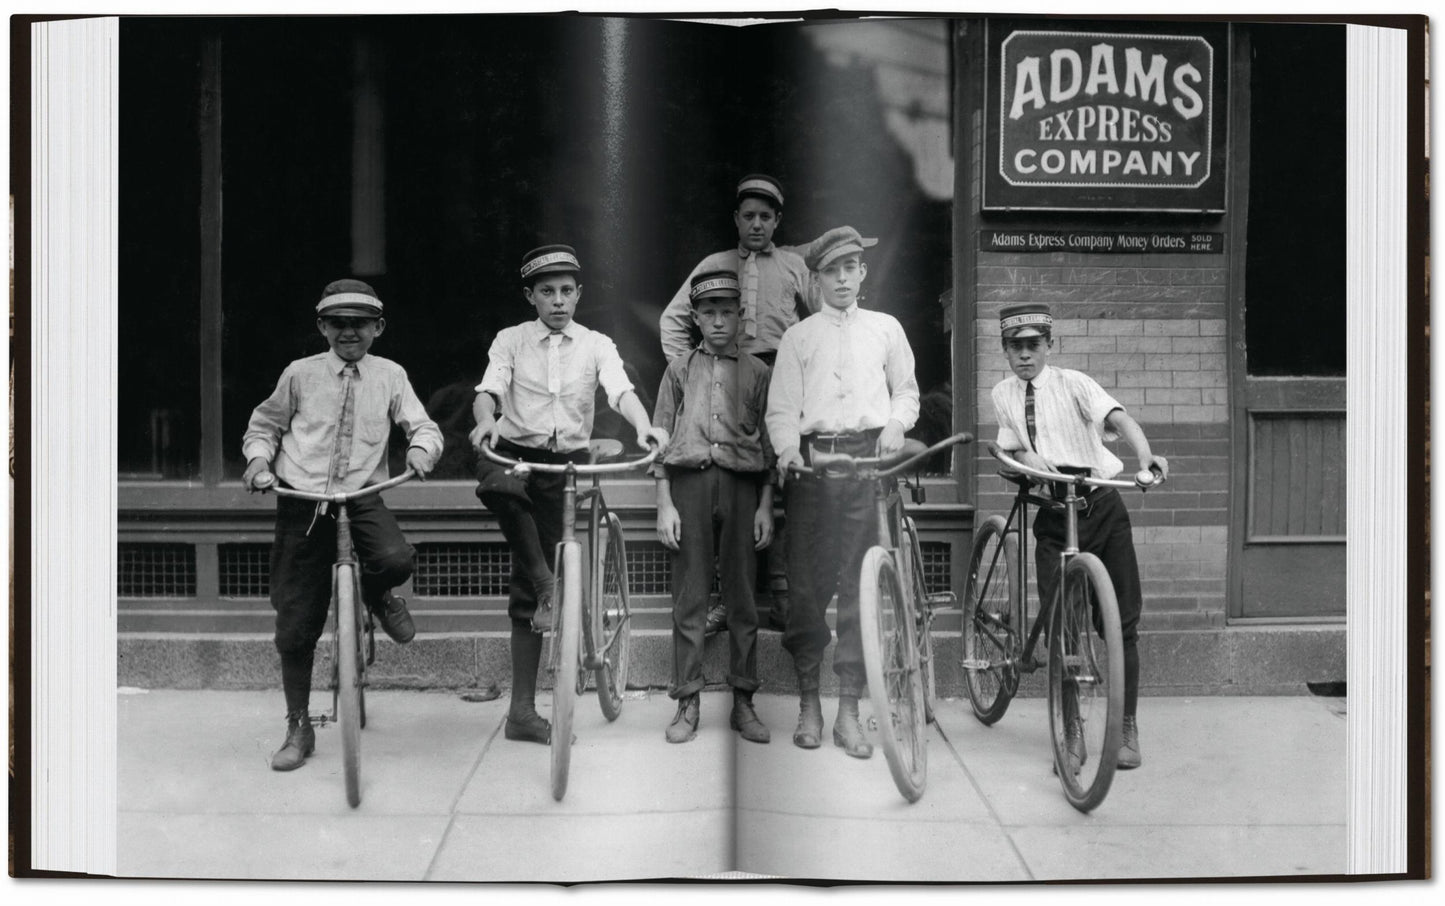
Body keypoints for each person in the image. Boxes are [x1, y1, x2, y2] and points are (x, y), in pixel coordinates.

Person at [469, 244, 670, 745]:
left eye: (565, 291)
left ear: (578, 294)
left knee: (528, 582)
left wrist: (645, 427)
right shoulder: (511, 341)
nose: (557, 301)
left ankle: (524, 698)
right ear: (530, 296)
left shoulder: (596, 343)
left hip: (565, 465)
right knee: (497, 485)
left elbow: (619, 391)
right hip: (515, 452)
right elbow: (488, 390)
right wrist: (487, 422)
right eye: (546, 292)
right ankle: (546, 590)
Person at [242, 279, 442, 772]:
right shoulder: (300, 374)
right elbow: (263, 426)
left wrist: (421, 449)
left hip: (359, 498)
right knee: (295, 623)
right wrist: (257, 461)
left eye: (360, 323)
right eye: (338, 323)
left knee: (395, 558)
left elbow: (424, 426)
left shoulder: (391, 375)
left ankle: (375, 595)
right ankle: (298, 725)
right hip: (303, 501)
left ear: (378, 328)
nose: (349, 332)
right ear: (322, 327)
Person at [988, 302, 1169, 773]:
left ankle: (1126, 725)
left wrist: (1146, 458)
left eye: (1034, 345)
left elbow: (1120, 421)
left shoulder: (1075, 384)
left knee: (1120, 623)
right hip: (1053, 515)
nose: (1025, 355)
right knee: (1063, 631)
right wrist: (1029, 460)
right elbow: (1008, 443)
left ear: (1049, 345)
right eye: (1016, 347)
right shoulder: (1003, 394)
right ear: (1005, 350)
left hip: (1101, 509)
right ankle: (1071, 733)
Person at [766, 226, 920, 759]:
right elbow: (782, 410)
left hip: (869, 466)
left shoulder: (885, 329)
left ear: (862, 272)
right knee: (807, 590)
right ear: (816, 278)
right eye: (831, 271)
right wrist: (788, 449)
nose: (842, 279)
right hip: (814, 471)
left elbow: (907, 392)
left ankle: (849, 711)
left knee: (860, 588)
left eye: (850, 268)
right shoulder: (799, 337)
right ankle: (810, 702)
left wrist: (897, 424)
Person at [659, 173, 812, 634]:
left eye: (766, 217)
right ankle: (722, 600)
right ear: (736, 219)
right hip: (723, 380)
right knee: (725, 483)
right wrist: (694, 372)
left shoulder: (792, 266)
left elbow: (821, 322)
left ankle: (783, 596)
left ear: (778, 220)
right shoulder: (715, 263)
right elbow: (673, 319)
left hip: (780, 379)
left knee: (781, 482)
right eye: (749, 216)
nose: (757, 225)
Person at [652, 269, 775, 745]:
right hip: (690, 487)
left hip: (743, 489)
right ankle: (688, 699)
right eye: (709, 312)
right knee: (691, 595)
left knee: (743, 597)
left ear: (740, 316)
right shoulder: (679, 369)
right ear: (697, 318)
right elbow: (660, 438)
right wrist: (665, 502)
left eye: (727, 311)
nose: (719, 321)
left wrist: (766, 505)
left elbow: (768, 444)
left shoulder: (760, 372)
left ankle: (743, 701)